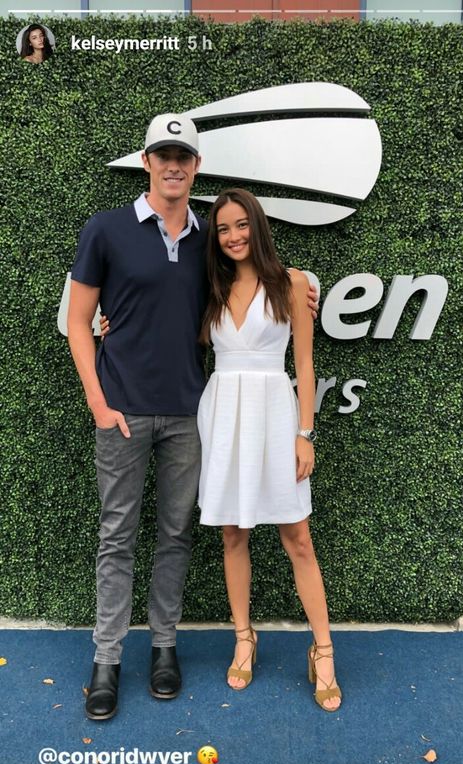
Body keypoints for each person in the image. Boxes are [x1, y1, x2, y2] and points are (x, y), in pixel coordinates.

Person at [70, 112, 319, 721]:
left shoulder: (210, 240)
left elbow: (254, 271)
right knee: (116, 537)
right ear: (147, 161)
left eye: (183, 155)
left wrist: (306, 282)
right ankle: (107, 660)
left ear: (196, 166)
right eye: (163, 154)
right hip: (122, 412)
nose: (173, 164)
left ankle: (162, 649)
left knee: (177, 536)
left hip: (189, 415)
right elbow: (78, 320)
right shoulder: (106, 230)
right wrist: (99, 404)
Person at [197, 188, 341, 711]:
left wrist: (305, 434)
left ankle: (323, 651)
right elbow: (162, 325)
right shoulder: (209, 287)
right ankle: (243, 638)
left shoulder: (293, 284)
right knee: (233, 532)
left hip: (277, 417)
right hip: (223, 416)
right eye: (223, 228)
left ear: (257, 226)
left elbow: (303, 366)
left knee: (297, 536)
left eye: (241, 225)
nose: (233, 236)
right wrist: (107, 323)